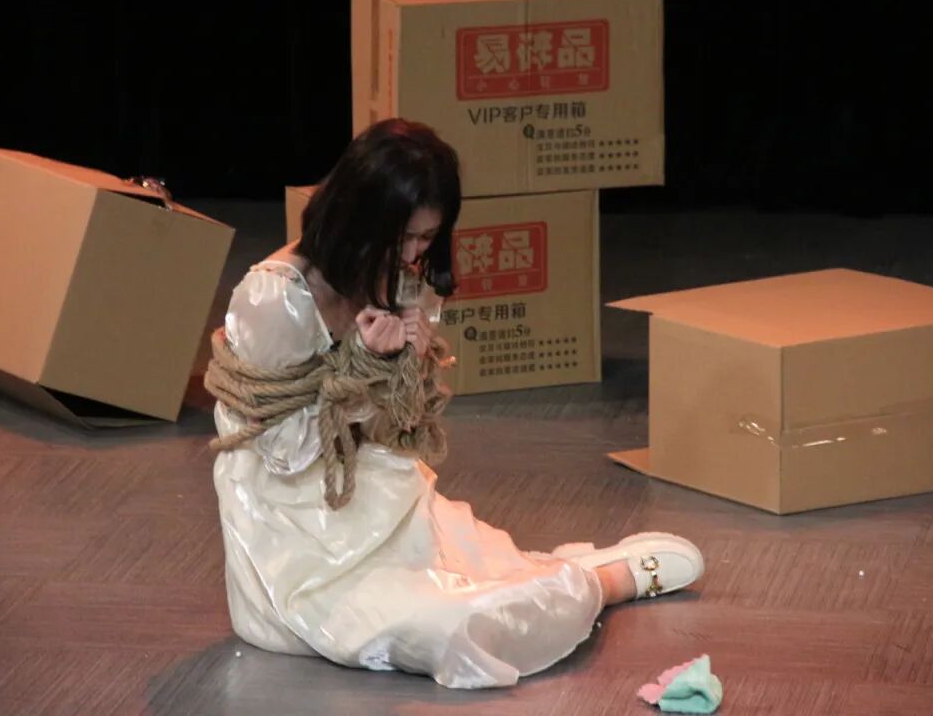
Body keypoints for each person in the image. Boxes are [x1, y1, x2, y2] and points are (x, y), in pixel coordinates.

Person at [208, 118, 704, 689]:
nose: (412, 254)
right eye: (402, 237)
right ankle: (601, 582)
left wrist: (405, 367)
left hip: (373, 498)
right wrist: (364, 369)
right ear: (356, 216)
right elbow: (286, 455)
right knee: (449, 628)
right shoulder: (275, 299)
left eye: (425, 238)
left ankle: (590, 579)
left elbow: (398, 431)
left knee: (478, 576)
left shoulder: (394, 276)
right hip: (291, 533)